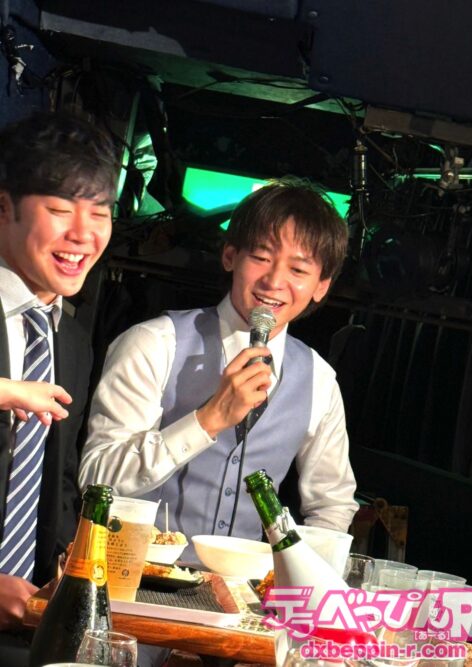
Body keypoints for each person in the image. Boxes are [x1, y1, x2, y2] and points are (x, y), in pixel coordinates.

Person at [79, 178, 359, 554]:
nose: (274, 281)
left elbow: (332, 505)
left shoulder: (319, 379)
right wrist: (208, 419)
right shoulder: (154, 343)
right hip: (133, 574)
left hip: (245, 589)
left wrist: (301, 575)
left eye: (298, 270)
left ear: (321, 286)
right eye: (261, 257)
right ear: (230, 256)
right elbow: (96, 478)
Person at [0, 110, 118, 666]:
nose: (83, 234)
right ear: (4, 208)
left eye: (100, 212)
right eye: (60, 210)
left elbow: (59, 483)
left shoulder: (70, 341)